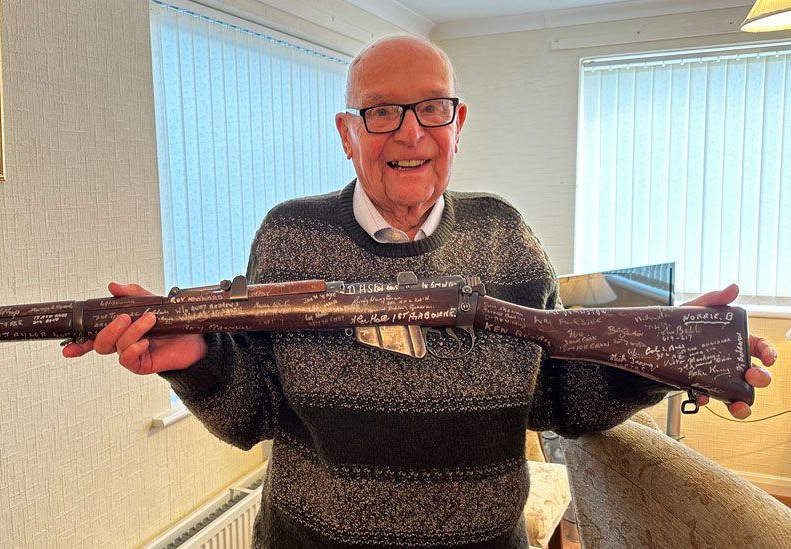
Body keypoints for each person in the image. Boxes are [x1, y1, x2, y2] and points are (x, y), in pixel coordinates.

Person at [64, 35, 777, 548]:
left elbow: (557, 396)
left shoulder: (507, 235)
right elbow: (255, 412)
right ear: (348, 133)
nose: (409, 131)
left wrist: (664, 360)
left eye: (431, 108)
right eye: (381, 112)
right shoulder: (285, 236)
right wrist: (198, 358)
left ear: (457, 124)